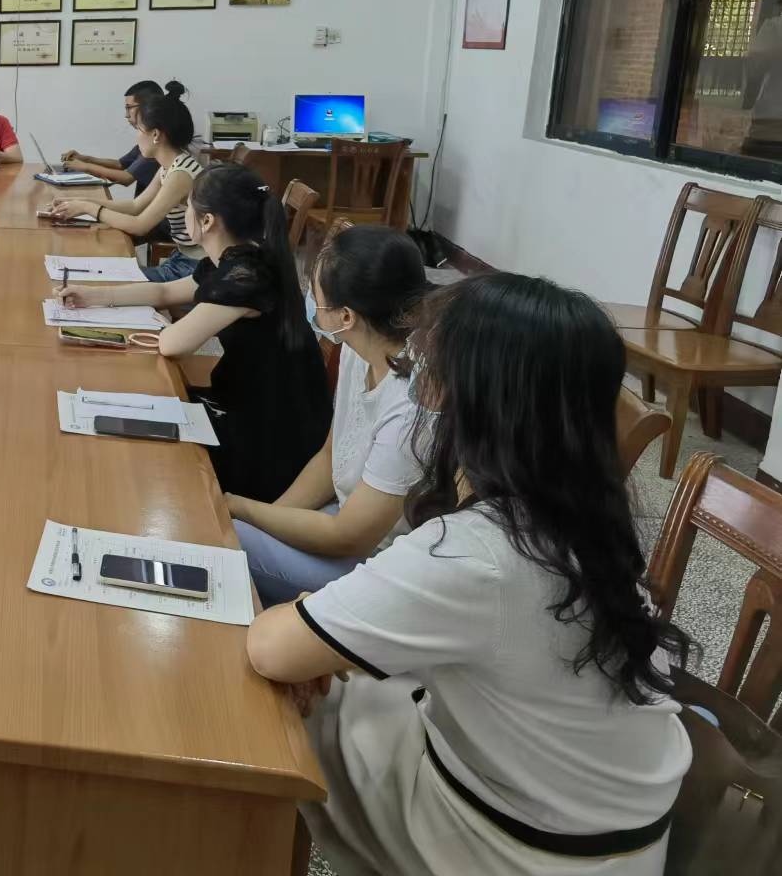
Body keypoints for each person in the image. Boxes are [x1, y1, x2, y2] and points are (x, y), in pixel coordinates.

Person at [247, 273, 692, 876]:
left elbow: (271, 648)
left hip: (518, 851)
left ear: (468, 401)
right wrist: (327, 635)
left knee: (292, 704)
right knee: (348, 674)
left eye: (427, 369)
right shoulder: (587, 518)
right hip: (605, 829)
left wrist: (311, 632)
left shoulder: (473, 551)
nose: (417, 383)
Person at [58, 163, 330, 500]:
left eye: (187, 205)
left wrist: (165, 327)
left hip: (268, 437)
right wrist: (95, 296)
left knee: (141, 461)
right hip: (254, 402)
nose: (184, 212)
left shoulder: (246, 276)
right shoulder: (237, 260)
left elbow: (173, 343)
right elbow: (165, 292)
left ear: (207, 221)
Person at [227, 225, 431, 605]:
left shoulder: (410, 403)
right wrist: (265, 517)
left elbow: (348, 537)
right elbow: (330, 456)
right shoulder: (359, 348)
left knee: (223, 541)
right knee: (232, 529)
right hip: (341, 519)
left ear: (346, 316)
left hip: (380, 564)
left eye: (316, 295)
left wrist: (242, 508)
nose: (310, 300)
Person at [49, 83, 204, 279]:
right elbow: (135, 206)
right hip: (181, 257)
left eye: (139, 129)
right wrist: (80, 202)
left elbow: (140, 225)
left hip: (195, 266)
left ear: (155, 135)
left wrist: (89, 208)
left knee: (109, 279)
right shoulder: (169, 167)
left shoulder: (180, 174)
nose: (137, 137)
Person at [60, 79, 162, 192]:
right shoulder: (148, 138)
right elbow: (120, 164)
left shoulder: (157, 141)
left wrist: (85, 167)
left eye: (129, 108)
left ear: (147, 107)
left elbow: (126, 178)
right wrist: (85, 159)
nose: (126, 115)